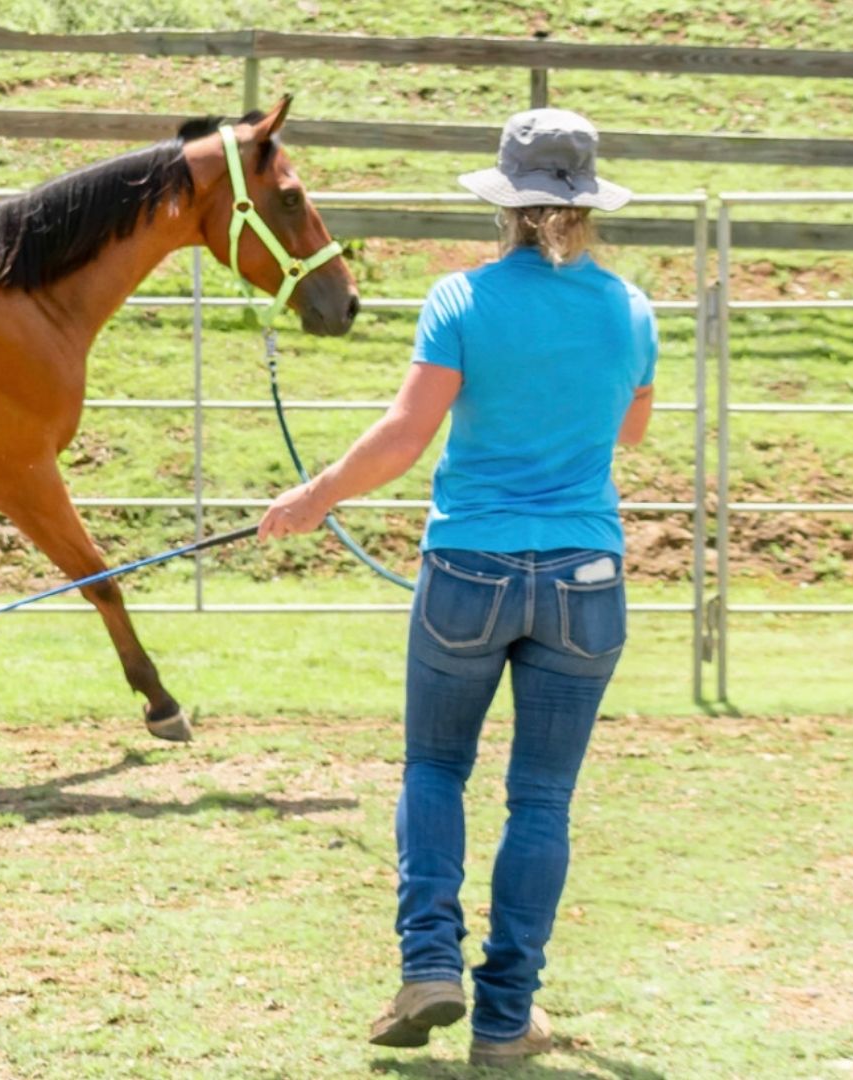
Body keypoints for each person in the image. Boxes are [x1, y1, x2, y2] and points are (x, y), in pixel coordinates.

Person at [257, 108, 657, 1066]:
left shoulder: (462, 300)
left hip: (469, 568)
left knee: (436, 769)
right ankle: (507, 1017)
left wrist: (314, 498)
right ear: (586, 205)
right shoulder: (631, 308)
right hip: (585, 575)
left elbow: (406, 435)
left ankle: (429, 962)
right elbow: (630, 433)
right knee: (543, 800)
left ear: (506, 203)